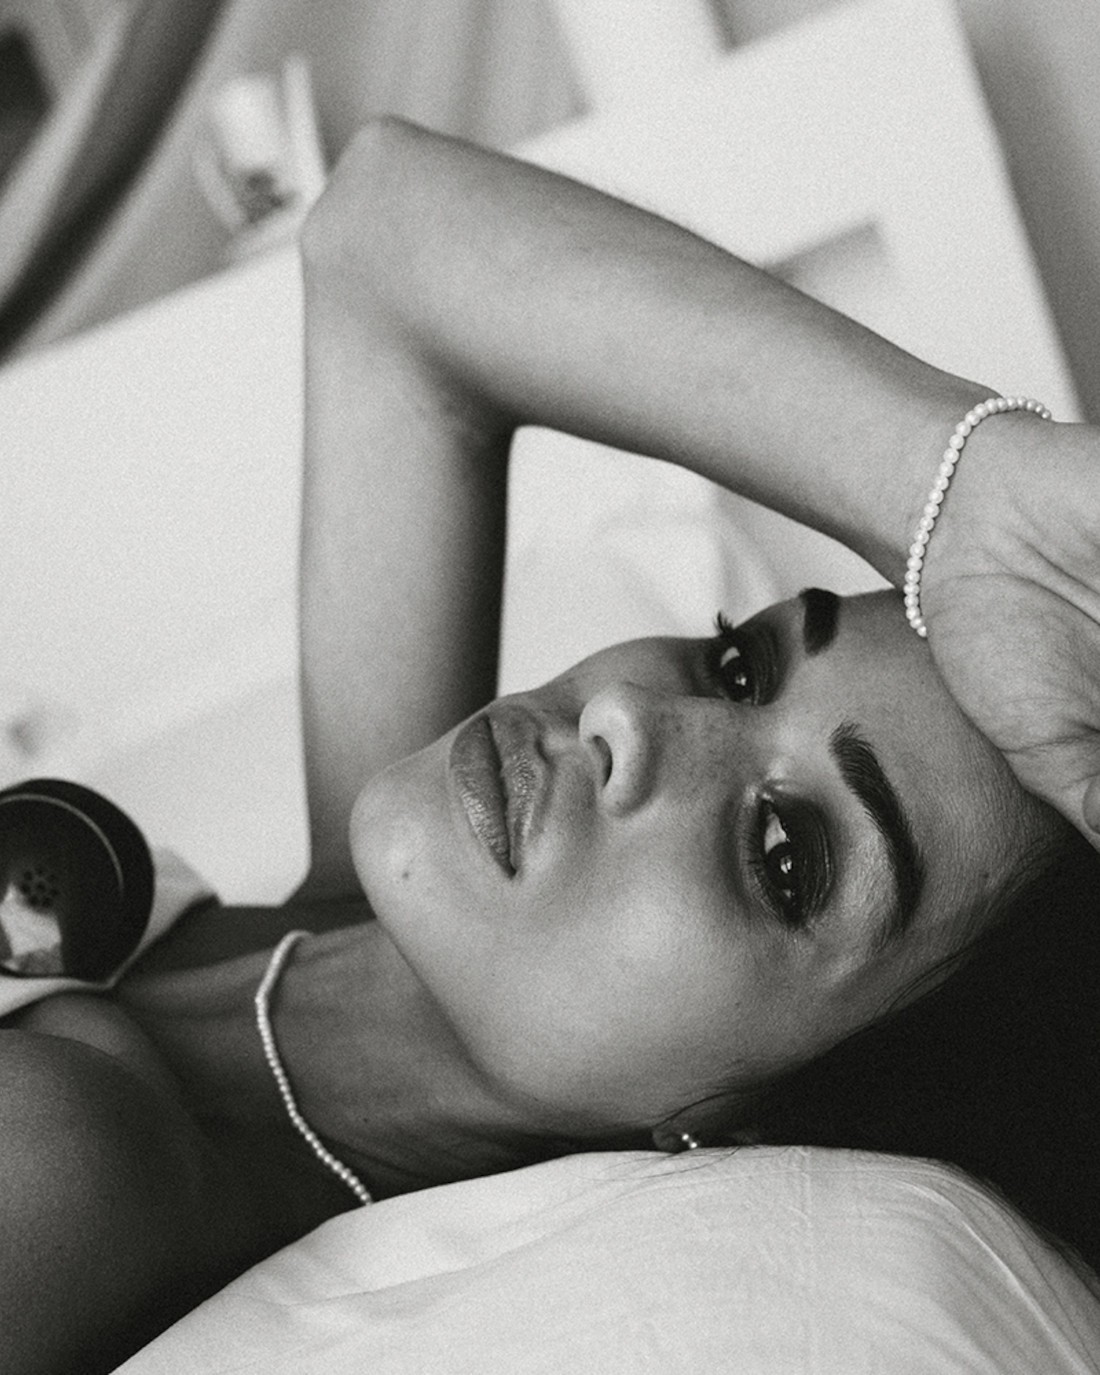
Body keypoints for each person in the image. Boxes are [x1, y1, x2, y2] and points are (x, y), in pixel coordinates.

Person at [3, 119, 1099, 1374]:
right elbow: (386, 238)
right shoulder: (333, 922)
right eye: (739, 666)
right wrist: (962, 500)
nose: (625, 715)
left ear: (753, 1126)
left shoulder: (71, 1165)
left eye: (783, 854)